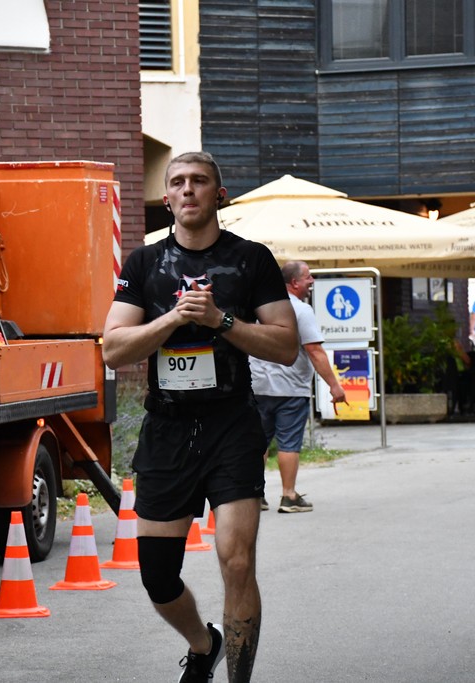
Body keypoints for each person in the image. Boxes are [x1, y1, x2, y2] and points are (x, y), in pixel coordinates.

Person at [103, 152, 298, 682]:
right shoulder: (143, 264)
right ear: (166, 197)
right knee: (157, 576)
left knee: (236, 559)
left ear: (219, 194)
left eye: (200, 182)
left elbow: (285, 345)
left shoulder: (251, 260)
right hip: (167, 429)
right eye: (178, 182)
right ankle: (202, 643)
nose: (188, 190)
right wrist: (173, 317)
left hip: (231, 424)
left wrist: (220, 319)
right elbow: (112, 349)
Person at [250, 260, 348, 514]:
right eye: (308, 277)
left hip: (258, 385)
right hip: (290, 388)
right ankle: (289, 495)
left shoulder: (259, 306)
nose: (312, 280)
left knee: (258, 442)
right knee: (289, 443)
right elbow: (314, 350)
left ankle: (255, 494)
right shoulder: (300, 311)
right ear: (294, 282)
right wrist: (335, 387)